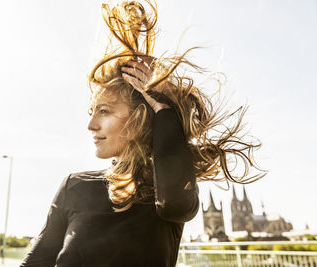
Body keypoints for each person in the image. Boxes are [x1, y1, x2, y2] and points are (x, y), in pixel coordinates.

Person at [20, 1, 264, 266]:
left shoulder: (167, 191)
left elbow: (176, 204)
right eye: (91, 111)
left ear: (139, 119)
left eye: (104, 111)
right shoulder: (74, 186)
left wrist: (162, 108)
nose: (90, 124)